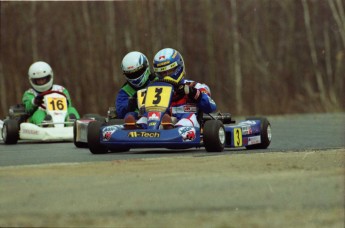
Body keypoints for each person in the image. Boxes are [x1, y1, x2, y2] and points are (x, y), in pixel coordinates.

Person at [129, 48, 216, 129]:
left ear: (179, 68)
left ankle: (174, 129)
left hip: (188, 123)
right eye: (162, 73)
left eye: (169, 71)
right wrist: (137, 101)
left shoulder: (195, 86)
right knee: (147, 116)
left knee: (189, 117)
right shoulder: (154, 88)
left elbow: (211, 106)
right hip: (162, 121)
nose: (166, 76)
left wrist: (192, 93)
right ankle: (137, 128)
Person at [22, 61, 80, 125]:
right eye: (38, 80)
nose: (41, 82)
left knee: (71, 110)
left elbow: (68, 105)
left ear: (49, 77)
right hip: (38, 117)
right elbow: (27, 108)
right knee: (39, 114)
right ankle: (46, 125)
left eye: (43, 79)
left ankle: (73, 125)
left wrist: (65, 102)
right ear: (32, 80)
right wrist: (34, 102)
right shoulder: (29, 93)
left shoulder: (61, 90)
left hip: (61, 115)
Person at [115, 51, 156, 126]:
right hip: (138, 118)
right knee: (130, 115)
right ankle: (133, 129)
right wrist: (130, 103)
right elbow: (120, 111)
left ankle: (168, 126)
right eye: (131, 74)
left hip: (160, 113)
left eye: (138, 72)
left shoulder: (158, 81)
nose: (135, 77)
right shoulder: (125, 90)